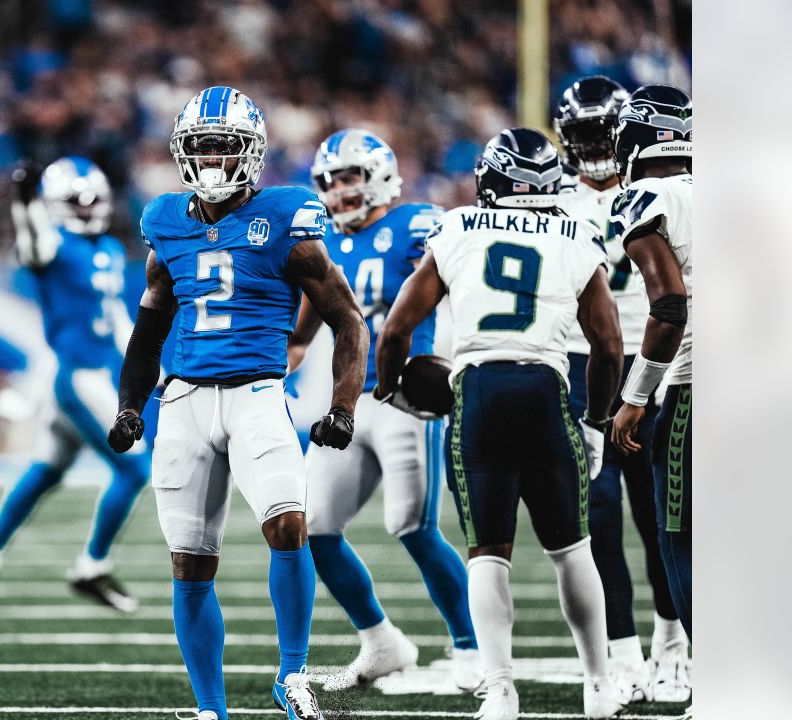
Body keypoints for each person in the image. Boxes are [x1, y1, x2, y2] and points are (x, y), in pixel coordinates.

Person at [107, 86, 366, 720]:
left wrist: (343, 406)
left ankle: (292, 674)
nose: (214, 162)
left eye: (226, 149)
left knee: (288, 524)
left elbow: (348, 319)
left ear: (250, 153)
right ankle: (209, 708)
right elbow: (149, 329)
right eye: (203, 149)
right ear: (182, 154)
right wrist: (130, 405)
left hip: (256, 393)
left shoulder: (284, 216)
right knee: (190, 564)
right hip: (186, 402)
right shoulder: (165, 221)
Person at [374, 128, 627, 720]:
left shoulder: (459, 227)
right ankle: (599, 685)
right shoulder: (576, 232)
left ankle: (501, 691)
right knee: (572, 549)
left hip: (479, 392)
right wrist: (595, 419)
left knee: (488, 554)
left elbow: (395, 331)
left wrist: (389, 390)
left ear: (492, 178)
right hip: (546, 389)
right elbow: (609, 346)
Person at [286, 129, 479, 693]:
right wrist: (273, 373)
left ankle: (471, 645)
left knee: (412, 525)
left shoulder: (420, 224)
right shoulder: (325, 241)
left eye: (349, 177)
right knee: (314, 526)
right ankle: (381, 641)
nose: (339, 191)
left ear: (379, 175)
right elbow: (301, 332)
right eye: (329, 181)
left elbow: (463, 282)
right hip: (347, 401)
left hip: (404, 397)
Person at [0, 157, 151, 617]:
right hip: (76, 377)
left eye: (93, 200)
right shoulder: (53, 243)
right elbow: (32, 241)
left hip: (87, 375)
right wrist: (23, 201)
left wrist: (148, 364)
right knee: (134, 470)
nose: (86, 208)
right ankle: (92, 566)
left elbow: (116, 319)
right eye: (75, 201)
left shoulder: (105, 248)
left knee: (48, 469)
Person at [553, 76, 689, 703]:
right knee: (600, 513)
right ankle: (625, 651)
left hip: (660, 355)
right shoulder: (552, 202)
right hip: (593, 363)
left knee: (661, 511)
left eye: (602, 133)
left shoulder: (654, 193)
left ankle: (673, 644)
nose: (595, 147)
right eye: (582, 135)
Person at [607, 85, 693, 649]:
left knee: (683, 540)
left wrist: (636, 396)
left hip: (699, 388)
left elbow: (668, 306)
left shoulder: (645, 196)